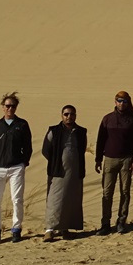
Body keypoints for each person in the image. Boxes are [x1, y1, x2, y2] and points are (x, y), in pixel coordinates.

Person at [0, 91, 32, 244]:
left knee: (17, 200)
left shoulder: (22, 124)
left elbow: (28, 146)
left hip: (16, 167)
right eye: (7, 106)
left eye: (13, 106)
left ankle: (16, 230)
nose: (10, 109)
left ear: (16, 107)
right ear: (2, 107)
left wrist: (24, 162)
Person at [94, 90, 133, 235]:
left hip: (126, 160)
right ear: (115, 102)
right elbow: (100, 139)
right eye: (119, 101)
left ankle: (121, 221)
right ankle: (105, 224)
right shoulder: (107, 119)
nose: (122, 104)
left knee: (125, 192)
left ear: (128, 103)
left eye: (125, 101)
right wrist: (98, 159)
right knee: (107, 193)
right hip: (109, 159)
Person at [42, 104, 87, 242]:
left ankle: (65, 229)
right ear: (62, 116)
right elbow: (46, 150)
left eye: (72, 114)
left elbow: (82, 148)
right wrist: (56, 161)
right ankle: (50, 230)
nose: (69, 117)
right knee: (54, 199)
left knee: (70, 200)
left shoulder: (80, 131)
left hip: (75, 172)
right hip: (58, 172)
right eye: (66, 114)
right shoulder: (54, 131)